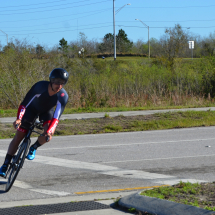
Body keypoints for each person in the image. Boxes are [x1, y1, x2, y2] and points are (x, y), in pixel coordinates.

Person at [0, 68, 69, 177]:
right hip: (31, 110)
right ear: (51, 80)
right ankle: (5, 164)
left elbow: (56, 118)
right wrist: (19, 118)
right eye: (56, 82)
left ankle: (34, 147)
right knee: (19, 136)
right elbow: (24, 104)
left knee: (49, 135)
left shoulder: (63, 97)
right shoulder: (40, 87)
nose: (59, 85)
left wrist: (49, 131)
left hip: (46, 112)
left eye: (62, 83)